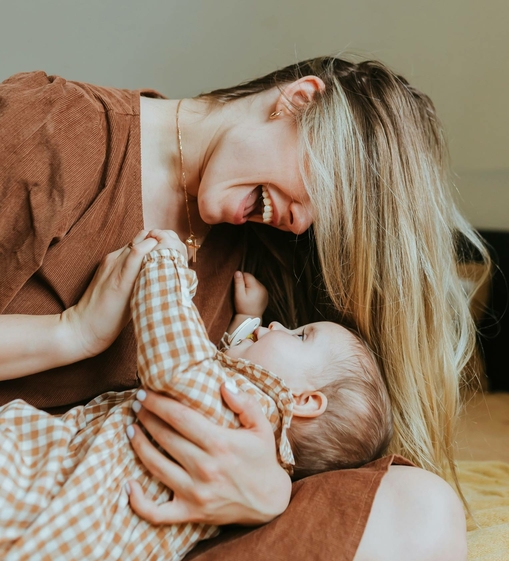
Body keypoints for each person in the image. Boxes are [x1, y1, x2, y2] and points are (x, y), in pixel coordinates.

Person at [0, 56, 479, 560]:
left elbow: (330, 413)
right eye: (326, 191)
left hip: (141, 534)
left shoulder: (264, 252)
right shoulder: (52, 125)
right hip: (25, 488)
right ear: (299, 100)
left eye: (325, 224)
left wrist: (267, 489)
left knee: (423, 508)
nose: (300, 225)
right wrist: (70, 334)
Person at [0, 230, 391, 560]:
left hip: (47, 508)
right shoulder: (249, 443)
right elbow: (228, 362)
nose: (278, 324)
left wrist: (166, 265)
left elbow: (181, 357)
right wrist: (246, 319)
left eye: (299, 334)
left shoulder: (233, 418)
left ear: (305, 401)